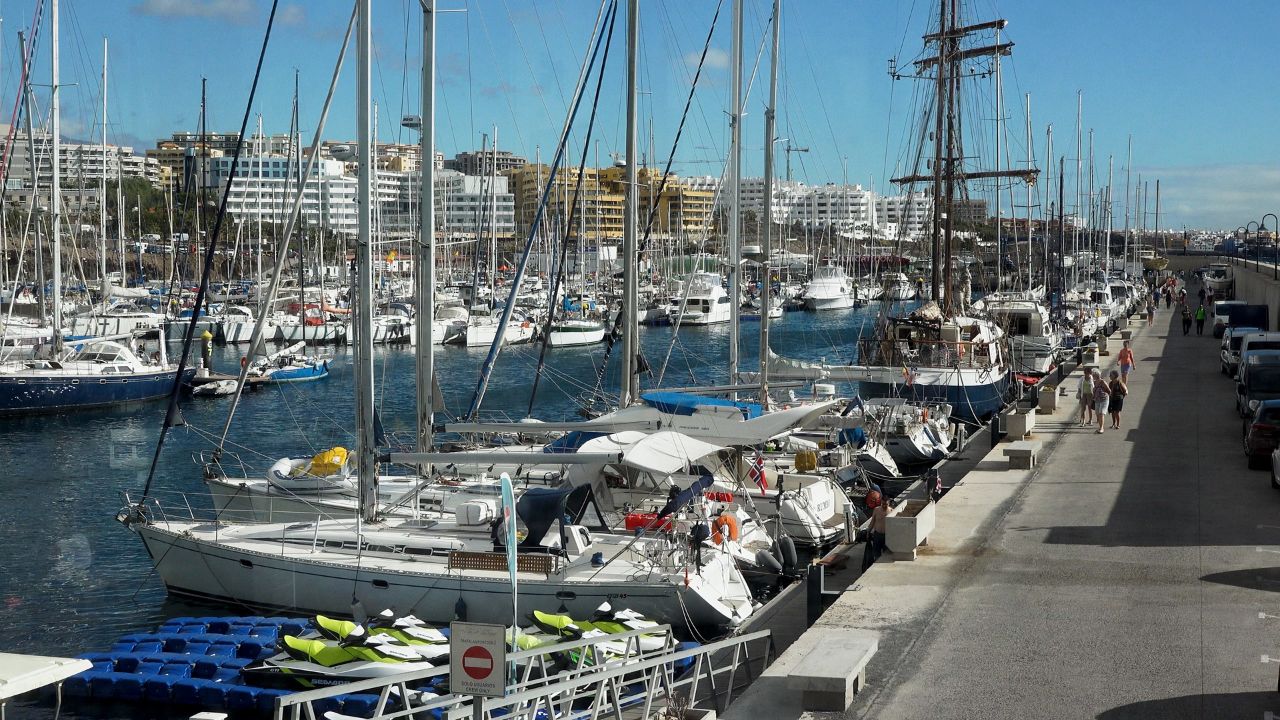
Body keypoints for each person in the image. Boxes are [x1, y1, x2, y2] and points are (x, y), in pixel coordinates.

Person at [1092, 369, 1112, 434]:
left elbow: (1109, 390)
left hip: (1104, 399)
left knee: (1101, 413)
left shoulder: (1102, 382)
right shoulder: (1094, 382)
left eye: (1093, 375)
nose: (1093, 376)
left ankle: (1101, 428)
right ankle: (1100, 427)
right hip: (1097, 400)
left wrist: (1105, 393)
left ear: (1097, 375)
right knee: (1098, 414)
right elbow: (1093, 391)